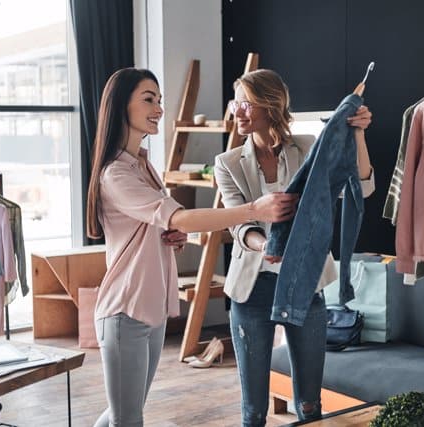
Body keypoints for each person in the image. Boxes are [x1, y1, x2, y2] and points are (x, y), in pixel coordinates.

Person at [85, 67, 299, 427]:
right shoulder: (116, 173)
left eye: (160, 100)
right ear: (122, 105)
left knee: (122, 413)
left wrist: (168, 235)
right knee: (127, 418)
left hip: (147, 309)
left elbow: (162, 224)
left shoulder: (143, 166)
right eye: (148, 99)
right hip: (124, 310)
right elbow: (179, 216)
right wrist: (252, 209)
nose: (159, 108)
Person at [214, 69, 375, 426]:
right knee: (253, 410)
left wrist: (357, 133)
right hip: (251, 291)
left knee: (310, 404)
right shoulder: (227, 164)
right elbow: (238, 223)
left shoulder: (307, 147)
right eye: (235, 103)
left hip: (306, 285)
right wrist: (267, 246)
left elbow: (361, 187)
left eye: (245, 103)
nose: (236, 112)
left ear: (270, 105)